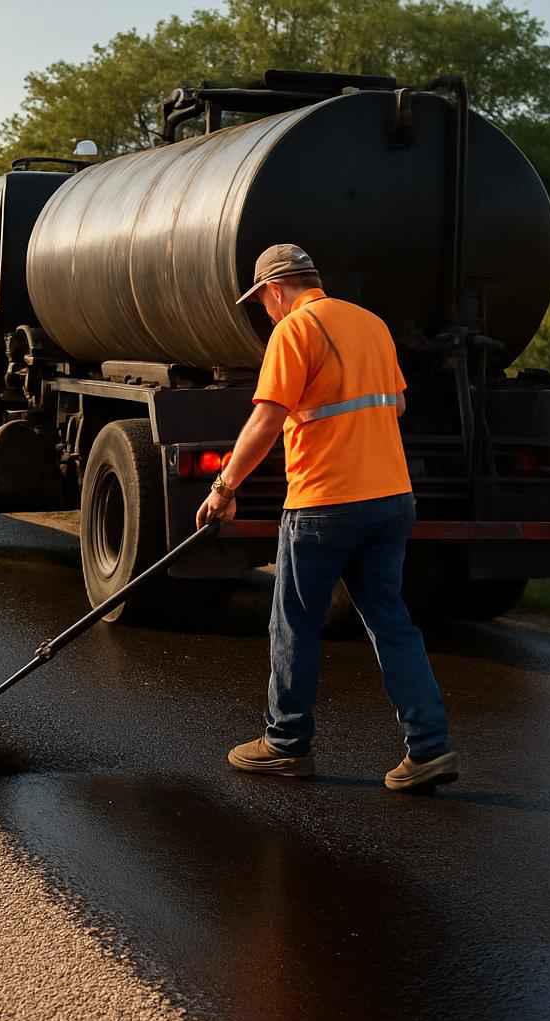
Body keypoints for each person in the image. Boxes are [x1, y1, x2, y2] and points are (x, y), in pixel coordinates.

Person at [196, 243, 460, 792]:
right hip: (390, 499)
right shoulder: (372, 325)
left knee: (293, 622)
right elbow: (399, 406)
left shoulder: (294, 331)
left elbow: (266, 422)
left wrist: (223, 488)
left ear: (274, 289)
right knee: (390, 621)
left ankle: (286, 745)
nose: (264, 311)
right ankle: (429, 748)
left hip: (323, 503)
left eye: (261, 301)